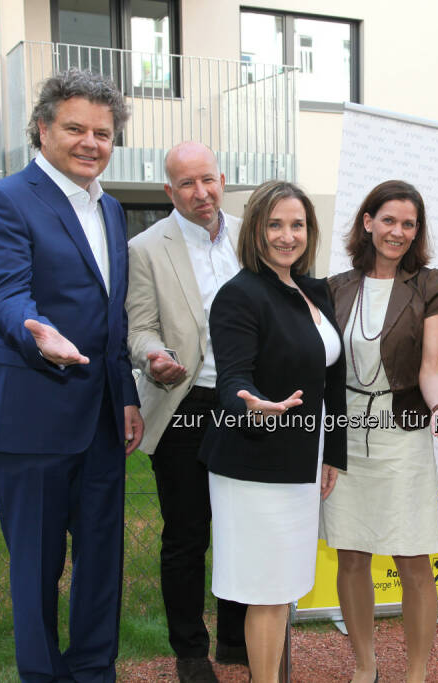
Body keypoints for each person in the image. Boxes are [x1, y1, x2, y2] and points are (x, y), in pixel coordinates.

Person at [0, 69, 143, 681]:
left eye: (103, 131)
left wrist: (126, 395)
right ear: (42, 129)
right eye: (75, 128)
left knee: (101, 563)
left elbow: (111, 315)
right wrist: (37, 331)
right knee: (37, 568)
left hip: (100, 420)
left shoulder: (113, 210)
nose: (92, 142)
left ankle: (94, 672)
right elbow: (7, 293)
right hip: (30, 416)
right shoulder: (3, 200)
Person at [321, 180, 438, 683]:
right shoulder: (334, 288)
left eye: (409, 224)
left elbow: (431, 365)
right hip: (345, 436)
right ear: (368, 221)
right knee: (351, 557)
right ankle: (365, 665)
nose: (398, 232)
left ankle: (416, 672)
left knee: (413, 560)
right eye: (389, 220)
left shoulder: (432, 286)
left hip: (402, 434)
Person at [199, 180, 346, 683]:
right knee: (266, 590)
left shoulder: (314, 290)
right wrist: (251, 408)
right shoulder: (239, 295)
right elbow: (233, 377)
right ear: (256, 230)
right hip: (255, 466)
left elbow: (332, 384)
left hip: (304, 459)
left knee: (283, 586)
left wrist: (334, 454)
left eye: (297, 224)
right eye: (275, 225)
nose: (287, 236)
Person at [125, 141, 247, 681]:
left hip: (248, 404)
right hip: (185, 403)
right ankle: (191, 653)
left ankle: (238, 640)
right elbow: (140, 326)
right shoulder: (147, 247)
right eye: (187, 185)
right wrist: (153, 357)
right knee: (186, 534)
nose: (202, 193)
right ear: (168, 192)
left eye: (209, 180)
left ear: (222, 178)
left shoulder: (256, 231)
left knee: (244, 528)